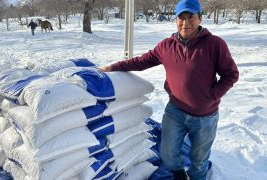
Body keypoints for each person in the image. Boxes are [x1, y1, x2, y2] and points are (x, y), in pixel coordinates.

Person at [100, 0, 239, 179]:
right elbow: (142, 61)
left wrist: (212, 96)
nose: (185, 22)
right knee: (167, 152)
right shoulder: (167, 46)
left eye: (191, 17)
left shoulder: (214, 44)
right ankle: (179, 173)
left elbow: (231, 74)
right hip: (175, 111)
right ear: (175, 20)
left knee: (199, 159)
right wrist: (114, 67)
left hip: (205, 116)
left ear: (200, 18)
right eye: (181, 17)